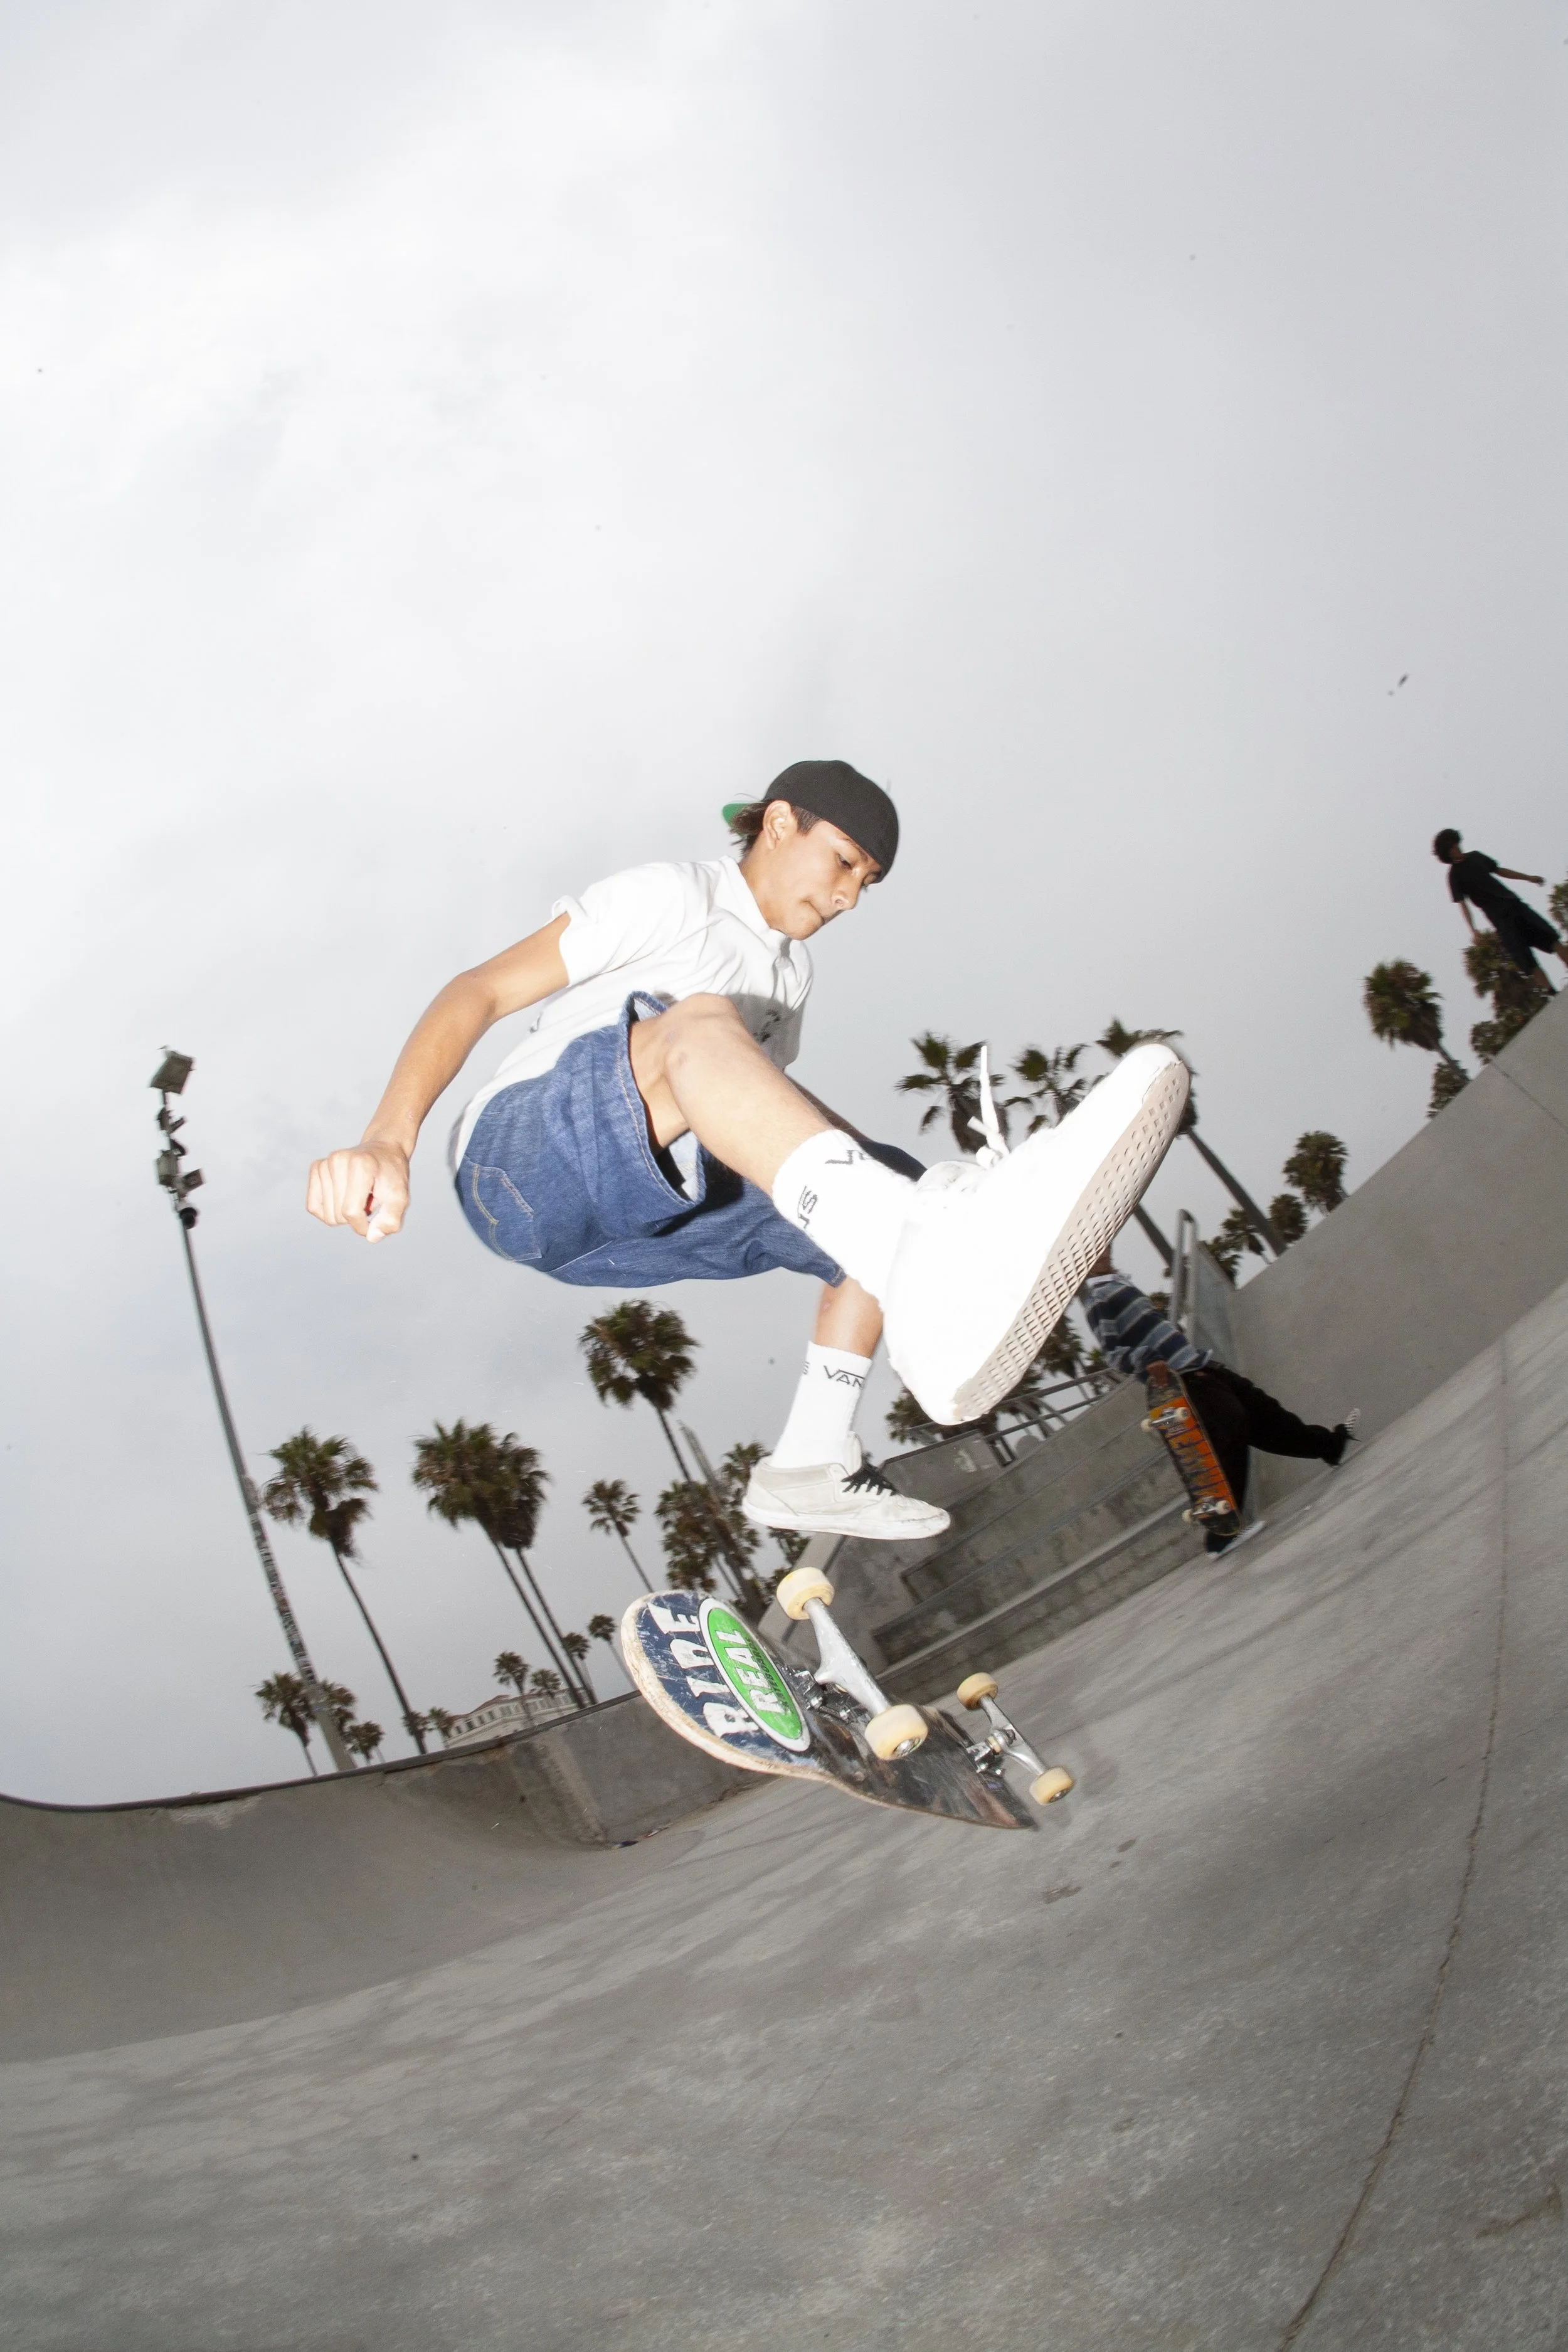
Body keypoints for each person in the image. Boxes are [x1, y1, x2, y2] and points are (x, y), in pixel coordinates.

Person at [307, 760, 1188, 1545]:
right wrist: (389, 1137)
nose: (848, 898)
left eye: (867, 885)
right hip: (521, 1157)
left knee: (893, 1192)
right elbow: (482, 987)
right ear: (779, 823)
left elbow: (767, 1114)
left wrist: (938, 1197)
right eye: (843, 862)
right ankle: (919, 1256)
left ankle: (809, 1458)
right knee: (698, 1025)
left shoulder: (790, 977)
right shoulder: (676, 894)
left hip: (622, 1226)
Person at [1081, 1252, 1355, 1552]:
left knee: (1265, 1414)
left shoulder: (1122, 1284)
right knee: (1230, 1430)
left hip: (1202, 1367)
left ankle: (1329, 1446)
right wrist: (1148, 1361)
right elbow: (1113, 1354)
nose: (1101, 1257)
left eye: (1102, 1252)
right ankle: (1221, 1535)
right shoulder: (1098, 1299)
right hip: (1183, 1382)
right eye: (1092, 1259)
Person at [1432, 829, 1566, 985]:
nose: (1457, 849)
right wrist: (1473, 929)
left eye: (1456, 845)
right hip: (1501, 921)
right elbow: (1463, 904)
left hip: (1514, 905)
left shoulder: (1476, 856)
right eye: (1452, 849)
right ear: (1447, 854)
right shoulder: (1454, 876)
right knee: (1528, 961)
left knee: (1551, 938)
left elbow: (1501, 871)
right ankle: (1552, 992)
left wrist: (1529, 878)